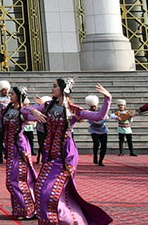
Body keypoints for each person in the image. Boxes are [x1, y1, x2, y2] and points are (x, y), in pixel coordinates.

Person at [33, 79, 113, 225]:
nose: (52, 89)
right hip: (50, 154)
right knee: (39, 189)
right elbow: (24, 110)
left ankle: (62, 221)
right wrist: (33, 110)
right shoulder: (48, 106)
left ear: (63, 89)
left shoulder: (73, 109)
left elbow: (99, 116)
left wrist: (108, 99)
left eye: (55, 86)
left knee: (49, 192)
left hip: (65, 156)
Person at [0, 85, 38, 220]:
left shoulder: (24, 111)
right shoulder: (7, 110)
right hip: (9, 149)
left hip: (20, 149)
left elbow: (32, 114)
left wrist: (35, 110)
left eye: (13, 94)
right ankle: (21, 209)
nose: (11, 96)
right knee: (10, 182)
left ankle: (29, 210)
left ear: (19, 96)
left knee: (17, 180)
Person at [85, 94, 109, 166]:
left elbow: (106, 117)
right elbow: (87, 119)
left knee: (104, 146)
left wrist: (100, 122)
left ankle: (101, 160)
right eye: (92, 107)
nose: (93, 108)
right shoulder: (88, 112)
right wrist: (93, 122)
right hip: (94, 130)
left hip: (103, 130)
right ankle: (95, 156)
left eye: (94, 106)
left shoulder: (101, 111)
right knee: (96, 143)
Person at [0, 80, 11, 164]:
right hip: (0, 121)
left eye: (6, 89)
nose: (5, 91)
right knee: (0, 139)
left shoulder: (10, 98)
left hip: (9, 121)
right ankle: (1, 156)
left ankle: (8, 153)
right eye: (3, 90)